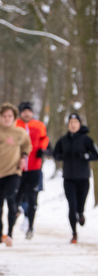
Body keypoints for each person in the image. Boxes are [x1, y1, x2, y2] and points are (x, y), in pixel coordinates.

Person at [53, 113, 98, 244]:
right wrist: (62, 156)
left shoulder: (86, 139)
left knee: (80, 205)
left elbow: (97, 155)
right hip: (68, 178)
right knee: (71, 206)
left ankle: (81, 213)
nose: (73, 125)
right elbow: (55, 154)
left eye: (75, 122)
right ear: (68, 125)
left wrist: (85, 156)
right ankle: (74, 233)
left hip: (83, 178)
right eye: (71, 123)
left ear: (79, 124)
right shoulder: (63, 140)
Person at [15, 101, 50, 239]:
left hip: (35, 167)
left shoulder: (39, 125)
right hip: (17, 168)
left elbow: (45, 139)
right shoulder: (15, 125)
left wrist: (42, 149)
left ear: (32, 112)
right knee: (15, 197)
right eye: (24, 111)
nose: (27, 113)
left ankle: (30, 226)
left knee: (32, 198)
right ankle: (12, 223)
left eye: (29, 111)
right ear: (20, 113)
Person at [0, 103, 32, 247]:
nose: (6, 119)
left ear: (14, 118)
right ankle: (1, 234)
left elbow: (27, 145)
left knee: (11, 199)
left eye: (10, 116)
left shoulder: (20, 132)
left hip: (14, 172)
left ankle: (10, 233)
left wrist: (24, 157)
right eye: (4, 116)